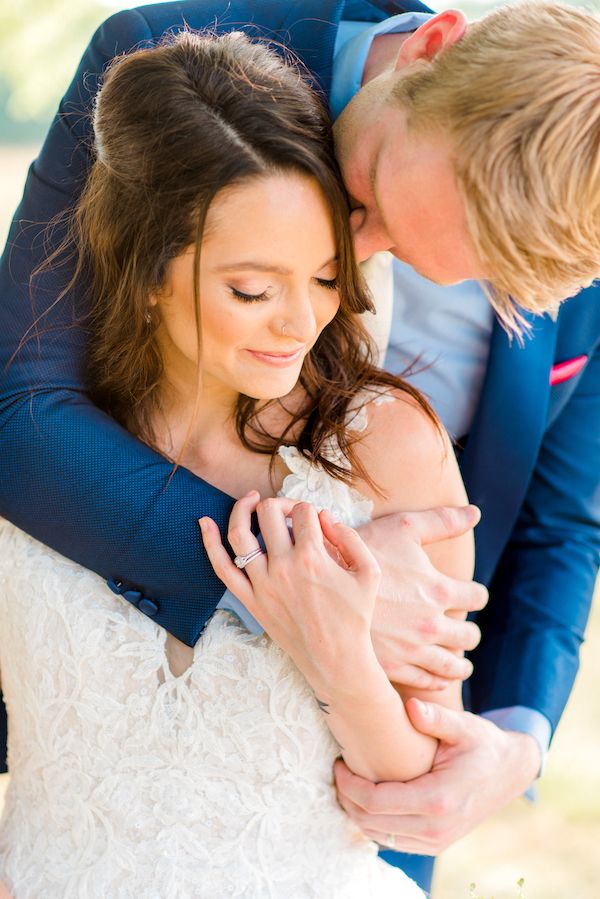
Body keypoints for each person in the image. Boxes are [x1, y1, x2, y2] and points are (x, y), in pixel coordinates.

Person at [0, 0, 598, 892]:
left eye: (439, 266)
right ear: (430, 50)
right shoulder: (162, 72)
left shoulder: (569, 230)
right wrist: (305, 577)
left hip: (359, 813)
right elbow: (21, 412)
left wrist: (513, 741)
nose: (357, 265)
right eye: (366, 198)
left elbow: (565, 522)